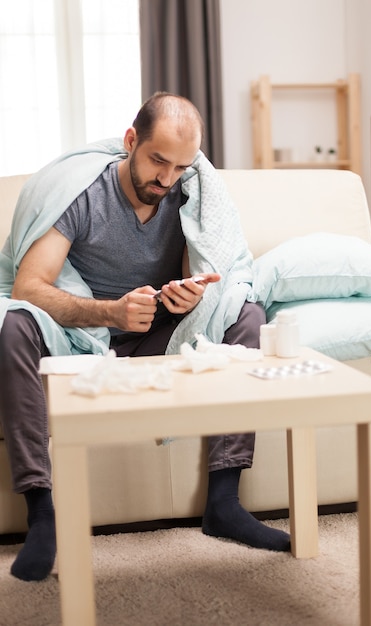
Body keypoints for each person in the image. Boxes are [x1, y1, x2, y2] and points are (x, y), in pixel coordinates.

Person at [0, 92, 290, 583]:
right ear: (130, 140)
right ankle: (41, 513)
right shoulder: (84, 195)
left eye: (180, 167)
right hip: (82, 337)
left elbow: (204, 267)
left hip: (160, 338)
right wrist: (110, 310)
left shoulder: (188, 191)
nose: (166, 179)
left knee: (247, 314)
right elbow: (29, 285)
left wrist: (191, 297)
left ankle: (223, 501)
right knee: (14, 326)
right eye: (158, 161)